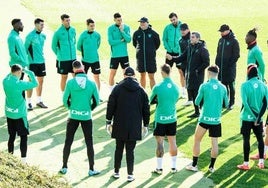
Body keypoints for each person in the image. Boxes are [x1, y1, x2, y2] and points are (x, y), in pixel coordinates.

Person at [106, 67, 150, 182]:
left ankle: (116, 172)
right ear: (134, 75)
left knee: (118, 149)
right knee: (130, 150)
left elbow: (111, 105)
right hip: (134, 125)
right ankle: (130, 174)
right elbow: (146, 109)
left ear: (124, 75)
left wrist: (108, 121)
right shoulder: (141, 90)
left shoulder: (117, 88)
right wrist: (146, 124)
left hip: (119, 124)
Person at [60, 60, 100, 176]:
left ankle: (64, 167)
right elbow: (96, 101)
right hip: (86, 116)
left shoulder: (70, 83)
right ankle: (91, 169)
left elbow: (64, 100)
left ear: (73, 70)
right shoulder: (91, 84)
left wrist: (71, 108)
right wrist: (89, 109)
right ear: (82, 67)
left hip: (73, 116)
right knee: (89, 142)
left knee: (68, 141)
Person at [185, 65, 228, 173]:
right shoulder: (223, 87)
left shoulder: (204, 86)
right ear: (217, 74)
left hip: (204, 119)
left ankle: (194, 165)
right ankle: (212, 167)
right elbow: (226, 104)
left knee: (197, 140)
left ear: (208, 73)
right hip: (216, 120)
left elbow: (196, 102)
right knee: (214, 143)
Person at [166, 31, 210, 118]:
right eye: (191, 37)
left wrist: (198, 70)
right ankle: (197, 111)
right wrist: (172, 58)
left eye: (193, 37)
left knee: (198, 93)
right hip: (189, 75)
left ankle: (203, 111)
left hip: (197, 76)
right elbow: (182, 57)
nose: (191, 39)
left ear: (198, 38)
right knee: (192, 92)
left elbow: (206, 62)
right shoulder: (190, 47)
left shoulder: (203, 49)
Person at [2, 64, 38, 164]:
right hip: (20, 115)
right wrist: (29, 72)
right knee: (23, 137)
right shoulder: (20, 83)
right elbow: (35, 83)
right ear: (18, 72)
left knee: (11, 136)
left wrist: (14, 71)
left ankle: (10, 157)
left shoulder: (5, 81)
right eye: (20, 73)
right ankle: (23, 161)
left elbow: (8, 75)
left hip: (9, 114)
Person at [150, 64, 179, 174]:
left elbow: (151, 100)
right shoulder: (176, 87)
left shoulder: (157, 87)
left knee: (160, 143)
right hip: (172, 118)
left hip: (160, 119)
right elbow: (176, 99)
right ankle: (173, 167)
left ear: (162, 73)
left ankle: (159, 168)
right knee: (173, 142)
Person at [237, 64, 267, 170]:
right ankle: (261, 163)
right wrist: (258, 118)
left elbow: (245, 103)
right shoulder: (264, 85)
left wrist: (254, 116)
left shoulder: (244, 85)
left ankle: (246, 164)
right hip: (259, 119)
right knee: (260, 139)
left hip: (246, 118)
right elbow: (265, 103)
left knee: (246, 139)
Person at [25, 18, 48, 110]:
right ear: (36, 25)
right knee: (31, 82)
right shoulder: (30, 36)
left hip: (41, 62)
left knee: (40, 81)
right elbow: (24, 50)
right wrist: (26, 63)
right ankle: (29, 102)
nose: (43, 26)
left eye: (43, 24)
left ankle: (39, 101)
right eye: (41, 24)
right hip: (32, 63)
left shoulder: (43, 36)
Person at [215, 24, 240, 110]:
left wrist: (229, 65)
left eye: (222, 31)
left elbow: (236, 55)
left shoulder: (234, 41)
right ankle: (225, 102)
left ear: (228, 31)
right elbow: (218, 53)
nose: (221, 33)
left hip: (230, 68)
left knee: (231, 84)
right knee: (223, 84)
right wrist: (216, 63)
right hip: (221, 67)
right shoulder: (221, 40)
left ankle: (232, 102)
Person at [133, 17, 160, 89]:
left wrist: (150, 51)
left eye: (143, 22)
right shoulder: (136, 33)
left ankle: (153, 96)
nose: (142, 24)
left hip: (150, 59)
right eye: (141, 22)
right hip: (141, 58)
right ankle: (142, 94)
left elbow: (157, 45)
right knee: (142, 75)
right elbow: (135, 44)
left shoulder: (154, 34)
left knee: (151, 76)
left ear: (147, 23)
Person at [52, 14, 76, 92]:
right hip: (63, 60)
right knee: (64, 77)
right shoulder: (58, 32)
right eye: (66, 20)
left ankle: (75, 94)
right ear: (62, 21)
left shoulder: (73, 30)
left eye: (69, 20)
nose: (68, 22)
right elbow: (53, 46)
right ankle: (64, 96)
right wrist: (60, 54)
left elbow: (74, 41)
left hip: (73, 59)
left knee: (76, 76)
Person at [162, 13, 185, 97]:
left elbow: (184, 39)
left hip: (179, 53)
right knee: (166, 71)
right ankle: (167, 89)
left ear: (177, 18)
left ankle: (183, 90)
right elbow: (164, 39)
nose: (173, 21)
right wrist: (168, 49)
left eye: (174, 19)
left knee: (181, 71)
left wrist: (178, 49)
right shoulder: (168, 28)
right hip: (169, 52)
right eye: (171, 20)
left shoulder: (183, 27)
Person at [107, 13, 131, 91]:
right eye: (118, 20)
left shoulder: (126, 27)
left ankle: (127, 89)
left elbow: (128, 40)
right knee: (112, 73)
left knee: (126, 73)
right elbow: (111, 42)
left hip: (124, 55)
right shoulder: (110, 28)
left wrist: (122, 31)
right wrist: (121, 40)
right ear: (114, 20)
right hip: (115, 55)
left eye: (121, 20)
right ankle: (111, 90)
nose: (120, 21)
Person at [77, 18, 101, 92]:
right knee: (83, 77)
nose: (93, 27)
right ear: (87, 26)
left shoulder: (97, 35)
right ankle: (83, 93)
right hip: (85, 60)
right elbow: (78, 46)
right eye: (91, 26)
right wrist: (86, 52)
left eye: (93, 26)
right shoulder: (83, 35)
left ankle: (97, 94)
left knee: (97, 77)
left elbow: (98, 45)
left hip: (95, 60)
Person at [179, 23, 193, 106]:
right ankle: (190, 98)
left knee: (193, 82)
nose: (182, 31)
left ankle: (194, 99)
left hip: (192, 63)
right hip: (184, 64)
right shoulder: (180, 40)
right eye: (181, 30)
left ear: (188, 30)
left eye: (184, 30)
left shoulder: (192, 39)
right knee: (187, 80)